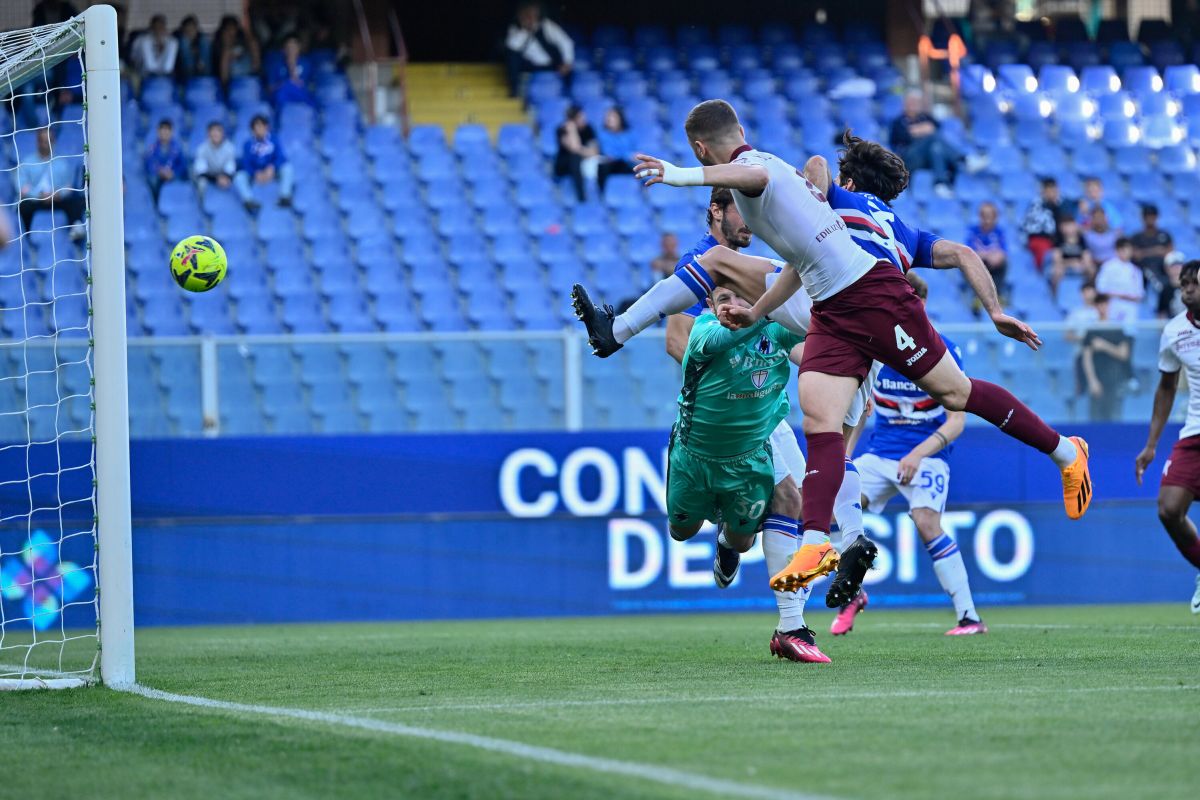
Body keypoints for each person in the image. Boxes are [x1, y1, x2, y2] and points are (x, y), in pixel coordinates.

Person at [575, 109, 1091, 611]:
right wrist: (756, 312)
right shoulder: (857, 216)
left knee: (955, 393)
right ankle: (820, 541)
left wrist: (680, 175)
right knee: (819, 424)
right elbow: (809, 257)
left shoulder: (814, 186)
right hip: (829, 306)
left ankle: (1066, 452)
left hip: (870, 296)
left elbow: (804, 166)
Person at [659, 189, 846, 662]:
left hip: (766, 407)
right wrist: (734, 379)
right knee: (782, 503)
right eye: (740, 209)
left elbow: (792, 342)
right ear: (717, 211)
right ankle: (790, 621)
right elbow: (676, 342)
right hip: (731, 414)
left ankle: (782, 613)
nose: (751, 220)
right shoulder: (701, 263)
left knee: (793, 505)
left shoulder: (757, 264)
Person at [665, 284, 816, 652]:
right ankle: (790, 619)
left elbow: (813, 336)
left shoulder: (772, 324)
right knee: (681, 532)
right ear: (709, 306)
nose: (732, 306)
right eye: (723, 300)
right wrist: (767, 308)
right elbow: (702, 339)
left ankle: (791, 624)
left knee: (766, 520)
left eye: (739, 298)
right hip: (695, 456)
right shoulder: (703, 327)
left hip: (752, 448)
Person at [836, 271, 986, 637]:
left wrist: (918, 454)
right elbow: (858, 409)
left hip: (928, 456)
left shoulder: (944, 351)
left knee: (925, 521)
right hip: (882, 454)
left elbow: (956, 424)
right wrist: (844, 463)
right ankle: (852, 594)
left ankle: (969, 617)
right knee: (834, 507)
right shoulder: (874, 350)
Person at [1135, 260, 1200, 614]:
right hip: (1194, 432)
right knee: (1169, 509)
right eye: (1183, 284)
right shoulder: (1175, 332)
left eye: (1194, 283)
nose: (1187, 289)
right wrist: (1151, 445)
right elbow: (1166, 388)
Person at [14, 127, 85, 234]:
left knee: (77, 201)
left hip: (56, 200)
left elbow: (68, 187)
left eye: (48, 141)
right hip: (35, 201)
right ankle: (25, 236)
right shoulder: (26, 163)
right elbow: (21, 186)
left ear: (53, 141)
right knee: (23, 206)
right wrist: (39, 195)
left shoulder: (62, 164)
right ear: (37, 142)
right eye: (43, 141)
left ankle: (76, 228)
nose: (45, 144)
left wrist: (57, 194)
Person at [888, 90, 958, 195]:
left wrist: (917, 131)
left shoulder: (925, 117)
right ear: (905, 104)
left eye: (916, 102)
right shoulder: (898, 122)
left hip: (927, 157)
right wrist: (923, 129)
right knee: (933, 138)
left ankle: (940, 183)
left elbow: (937, 127)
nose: (913, 105)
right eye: (911, 102)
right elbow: (903, 137)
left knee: (936, 148)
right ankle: (962, 159)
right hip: (909, 159)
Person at [503, 0, 574, 97]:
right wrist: (525, 31)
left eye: (533, 14)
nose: (530, 18)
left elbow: (566, 42)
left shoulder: (547, 25)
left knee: (572, 70)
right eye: (527, 15)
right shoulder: (515, 28)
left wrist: (567, 62)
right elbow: (512, 46)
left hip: (548, 64)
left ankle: (566, 96)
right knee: (512, 57)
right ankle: (515, 90)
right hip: (528, 66)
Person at [1080, 294, 1132, 422]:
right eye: (1099, 304)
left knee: (1114, 417)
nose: (1102, 307)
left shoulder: (1117, 329)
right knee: (1096, 418)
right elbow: (1086, 358)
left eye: (1105, 304)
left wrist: (1104, 346)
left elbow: (1124, 354)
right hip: (1098, 379)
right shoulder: (1091, 330)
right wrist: (1092, 381)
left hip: (1115, 379)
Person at [234, 114, 293, 211]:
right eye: (256, 127)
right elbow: (246, 163)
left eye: (262, 126)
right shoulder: (248, 144)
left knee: (287, 168)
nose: (259, 130)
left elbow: (281, 157)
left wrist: (272, 167)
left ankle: (285, 197)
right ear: (252, 130)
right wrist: (255, 173)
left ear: (267, 127)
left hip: (273, 172)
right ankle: (248, 201)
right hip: (255, 174)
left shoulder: (274, 139)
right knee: (239, 177)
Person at [1130, 204, 1175, 318]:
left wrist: (1144, 252)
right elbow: (1135, 255)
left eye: (1152, 216)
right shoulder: (1136, 237)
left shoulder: (1164, 235)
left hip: (1163, 272)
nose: (1150, 219)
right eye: (1147, 216)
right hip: (1143, 275)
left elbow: (1171, 253)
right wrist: (1157, 250)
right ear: (1143, 218)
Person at [1021, 177, 1072, 271]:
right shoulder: (1036, 205)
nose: (1052, 193)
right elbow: (1034, 226)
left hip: (1058, 240)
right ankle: (1044, 274)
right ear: (1043, 191)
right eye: (1049, 190)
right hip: (1040, 238)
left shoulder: (1061, 204)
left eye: (1054, 190)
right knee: (1045, 252)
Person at [554, 105, 598, 203]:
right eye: (581, 117)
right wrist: (572, 130)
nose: (584, 119)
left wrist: (583, 151)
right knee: (575, 157)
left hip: (584, 162)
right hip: (564, 164)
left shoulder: (589, 129)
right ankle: (581, 197)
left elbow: (594, 151)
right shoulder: (561, 130)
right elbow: (573, 148)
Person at [1095, 237, 1145, 323]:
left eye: (1128, 249)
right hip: (1112, 307)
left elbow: (1140, 294)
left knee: (1129, 333)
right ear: (1117, 250)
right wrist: (1120, 295)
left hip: (1131, 309)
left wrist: (1131, 297)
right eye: (1122, 249)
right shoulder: (1108, 266)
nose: (1125, 252)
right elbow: (1100, 288)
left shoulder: (1136, 270)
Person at [967, 201, 1008, 297]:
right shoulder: (973, 231)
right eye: (984, 216)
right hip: (979, 263)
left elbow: (1003, 252)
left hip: (995, 264)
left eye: (989, 216)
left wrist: (995, 257)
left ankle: (997, 295)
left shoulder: (999, 232)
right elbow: (968, 251)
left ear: (995, 217)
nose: (986, 219)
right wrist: (986, 256)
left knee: (1003, 263)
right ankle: (977, 297)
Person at [144, 118, 187, 202]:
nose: (165, 132)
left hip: (173, 175)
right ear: (158, 131)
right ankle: (156, 204)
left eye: (167, 130)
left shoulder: (177, 148)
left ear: (172, 132)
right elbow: (149, 164)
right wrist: (160, 171)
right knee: (152, 180)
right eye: (162, 129)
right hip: (158, 176)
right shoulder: (152, 148)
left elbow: (182, 165)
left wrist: (173, 173)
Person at [1050, 214, 1094, 296]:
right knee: (1056, 270)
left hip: (1079, 265)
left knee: (1091, 269)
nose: (1068, 229)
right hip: (1064, 266)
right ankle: (1054, 295)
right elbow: (1057, 259)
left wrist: (1082, 264)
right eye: (1066, 226)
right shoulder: (1058, 240)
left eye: (1070, 225)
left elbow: (1087, 256)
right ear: (1061, 228)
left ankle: (1090, 292)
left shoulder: (1081, 240)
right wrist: (1071, 263)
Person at [212, 14, 261, 87]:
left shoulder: (241, 38)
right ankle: (225, 88)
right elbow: (218, 61)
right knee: (226, 53)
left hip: (245, 67)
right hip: (231, 73)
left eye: (233, 28)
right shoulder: (218, 42)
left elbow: (247, 51)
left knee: (253, 44)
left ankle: (257, 78)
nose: (231, 31)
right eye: (228, 29)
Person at [596, 107, 636, 192]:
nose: (609, 119)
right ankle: (602, 193)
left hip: (626, 164)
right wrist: (627, 155)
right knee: (602, 167)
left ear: (620, 118)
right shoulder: (603, 134)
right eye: (608, 117)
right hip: (612, 165)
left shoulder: (629, 133)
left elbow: (635, 152)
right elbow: (609, 154)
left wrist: (631, 156)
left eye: (613, 116)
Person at [192, 121, 237, 195]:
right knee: (201, 182)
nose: (216, 134)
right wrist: (216, 179)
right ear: (208, 134)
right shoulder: (202, 149)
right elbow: (200, 170)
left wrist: (225, 177)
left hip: (225, 178)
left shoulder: (230, 148)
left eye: (218, 131)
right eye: (213, 131)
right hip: (208, 178)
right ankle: (201, 204)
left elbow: (230, 167)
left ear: (223, 133)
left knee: (238, 178)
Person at [270, 34, 315, 107]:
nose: (291, 51)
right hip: (282, 101)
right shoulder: (276, 65)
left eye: (294, 47)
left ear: (299, 48)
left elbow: (311, 87)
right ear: (283, 50)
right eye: (288, 48)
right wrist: (285, 84)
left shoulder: (307, 64)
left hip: (302, 100)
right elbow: (270, 89)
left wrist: (292, 66)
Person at [132, 14, 178, 79]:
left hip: (165, 72)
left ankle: (165, 74)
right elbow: (134, 56)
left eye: (161, 27)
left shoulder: (170, 41)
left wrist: (162, 46)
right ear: (152, 27)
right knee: (145, 42)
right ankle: (152, 72)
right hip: (144, 71)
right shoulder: (142, 40)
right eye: (156, 27)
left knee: (173, 42)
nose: (158, 29)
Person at [174, 15, 212, 82]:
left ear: (196, 29)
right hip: (184, 72)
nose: (190, 33)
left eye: (192, 29)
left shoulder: (202, 39)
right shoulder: (178, 40)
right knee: (184, 42)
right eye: (187, 30)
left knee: (204, 41)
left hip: (202, 70)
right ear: (183, 30)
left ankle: (205, 78)